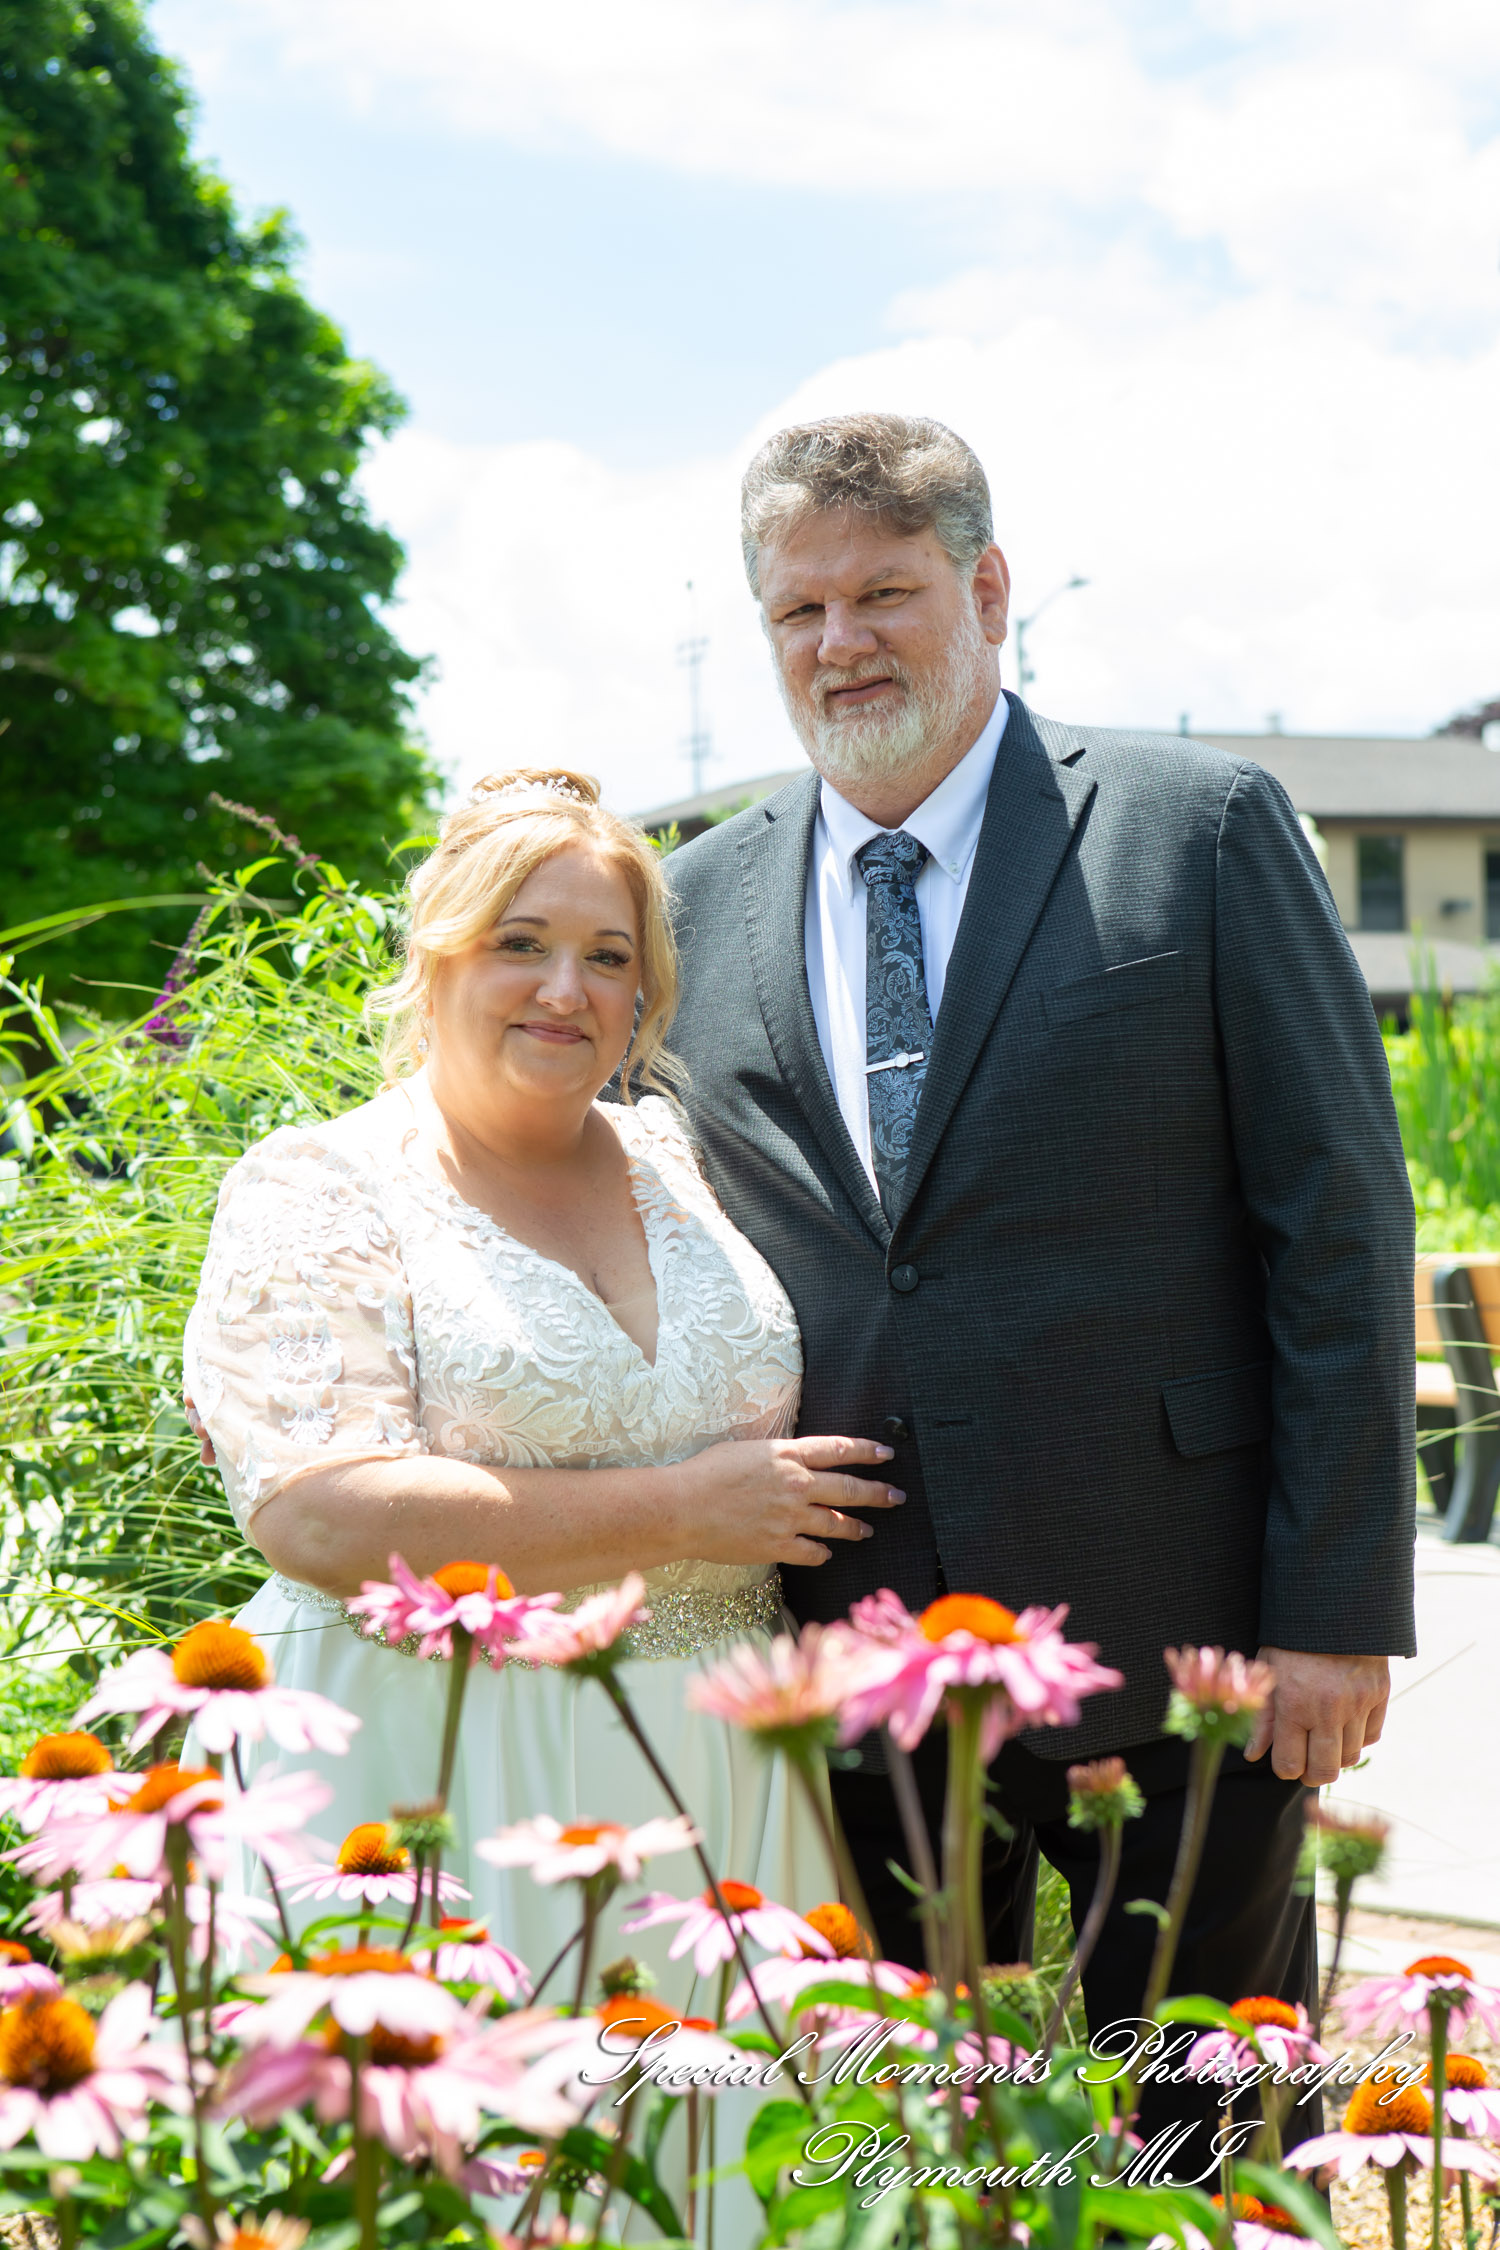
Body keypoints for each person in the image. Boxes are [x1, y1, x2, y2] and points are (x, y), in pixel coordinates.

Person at [658, 412, 1416, 2167]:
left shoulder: (1197, 827)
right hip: (847, 1636)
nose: (839, 642)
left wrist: (1333, 1604)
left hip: (1183, 1624)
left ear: (987, 589)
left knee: (1207, 2127)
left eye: (884, 592)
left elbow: (1337, 1234)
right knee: (905, 2146)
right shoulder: (694, 903)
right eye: (797, 611)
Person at [182, 769, 907, 1995]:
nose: (566, 989)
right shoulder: (319, 1186)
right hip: (447, 1756)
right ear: (438, 957)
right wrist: (683, 1512)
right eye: (521, 943)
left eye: (607, 956)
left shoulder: (686, 1161)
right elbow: (315, 1510)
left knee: (721, 2155)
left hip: (721, 1754)